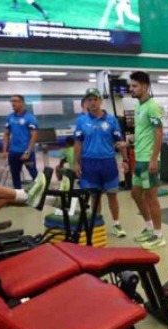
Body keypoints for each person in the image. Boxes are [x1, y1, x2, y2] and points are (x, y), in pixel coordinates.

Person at [73, 88, 127, 238]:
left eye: (95, 99)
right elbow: (78, 143)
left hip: (108, 163)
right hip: (89, 164)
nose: (92, 102)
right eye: (89, 100)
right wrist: (76, 163)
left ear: (100, 101)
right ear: (86, 103)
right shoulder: (81, 121)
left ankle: (116, 224)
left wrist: (125, 159)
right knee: (94, 196)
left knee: (112, 194)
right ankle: (96, 224)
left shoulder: (111, 120)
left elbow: (120, 141)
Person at [127, 71, 166, 249]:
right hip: (138, 158)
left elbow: (159, 132)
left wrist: (153, 159)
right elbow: (143, 132)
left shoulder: (152, 106)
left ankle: (158, 235)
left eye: (134, 86)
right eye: (131, 86)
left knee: (151, 198)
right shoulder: (138, 107)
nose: (131, 89)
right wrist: (129, 140)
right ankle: (149, 227)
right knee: (135, 194)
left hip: (148, 159)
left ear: (144, 86)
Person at [2, 95, 39, 189]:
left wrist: (28, 151)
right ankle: (18, 195)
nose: (13, 103)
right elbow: (6, 134)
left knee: (34, 174)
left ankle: (41, 192)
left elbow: (34, 136)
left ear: (22, 102)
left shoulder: (30, 118)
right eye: (11, 101)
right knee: (15, 176)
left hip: (26, 153)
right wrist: (5, 150)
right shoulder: (10, 117)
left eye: (15, 101)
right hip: (13, 152)